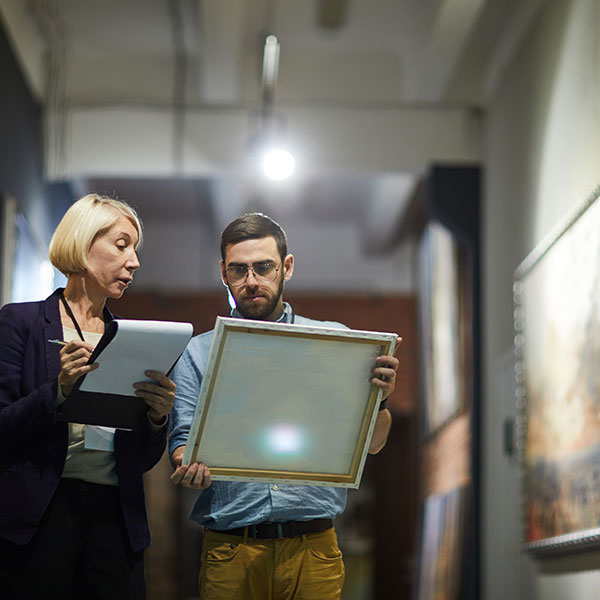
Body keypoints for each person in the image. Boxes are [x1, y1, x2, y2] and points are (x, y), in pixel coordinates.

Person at [169, 212, 399, 600]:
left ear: (286, 267)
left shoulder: (336, 344)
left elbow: (372, 445)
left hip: (314, 547)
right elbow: (181, 444)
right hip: (231, 548)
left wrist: (382, 398)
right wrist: (187, 465)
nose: (252, 281)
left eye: (263, 267)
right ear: (223, 272)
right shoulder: (197, 353)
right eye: (239, 270)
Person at [0, 194, 176, 600]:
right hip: (38, 517)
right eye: (121, 245)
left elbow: (142, 461)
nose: (134, 261)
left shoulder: (134, 343)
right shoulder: (21, 322)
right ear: (82, 243)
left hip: (116, 519)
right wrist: (58, 391)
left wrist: (156, 419)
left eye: (135, 249)